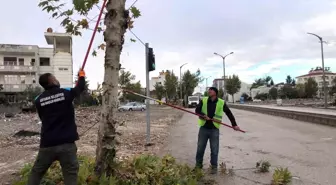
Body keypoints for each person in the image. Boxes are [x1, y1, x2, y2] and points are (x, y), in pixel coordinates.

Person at [27, 70, 86, 185]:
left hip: (47, 145)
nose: (56, 79)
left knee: (36, 173)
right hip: (66, 144)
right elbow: (79, 88)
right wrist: (82, 76)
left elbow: (42, 118)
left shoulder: (39, 100)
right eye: (55, 78)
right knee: (70, 175)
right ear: (52, 80)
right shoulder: (65, 93)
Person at [195, 87, 240, 174]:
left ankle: (214, 168)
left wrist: (234, 124)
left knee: (214, 150)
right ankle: (198, 167)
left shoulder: (221, 102)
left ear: (215, 92)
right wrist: (203, 115)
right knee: (200, 148)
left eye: (211, 90)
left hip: (214, 129)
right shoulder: (204, 100)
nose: (209, 91)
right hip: (204, 128)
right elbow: (197, 110)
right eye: (209, 90)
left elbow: (228, 113)